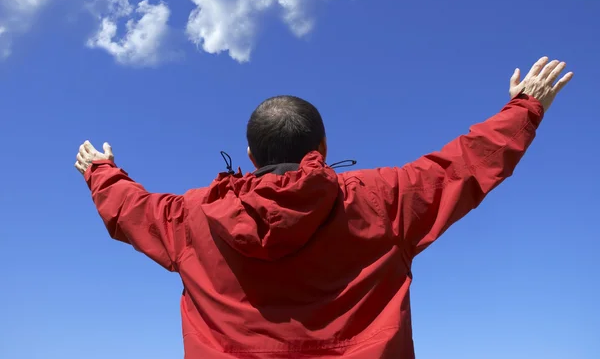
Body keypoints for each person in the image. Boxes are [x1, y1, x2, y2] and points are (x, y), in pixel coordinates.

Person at [75, 56, 573, 359]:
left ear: (250, 156)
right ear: (324, 147)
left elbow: (129, 207)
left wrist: (101, 169)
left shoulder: (190, 218)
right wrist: (524, 107)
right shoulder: (385, 198)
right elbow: (465, 165)